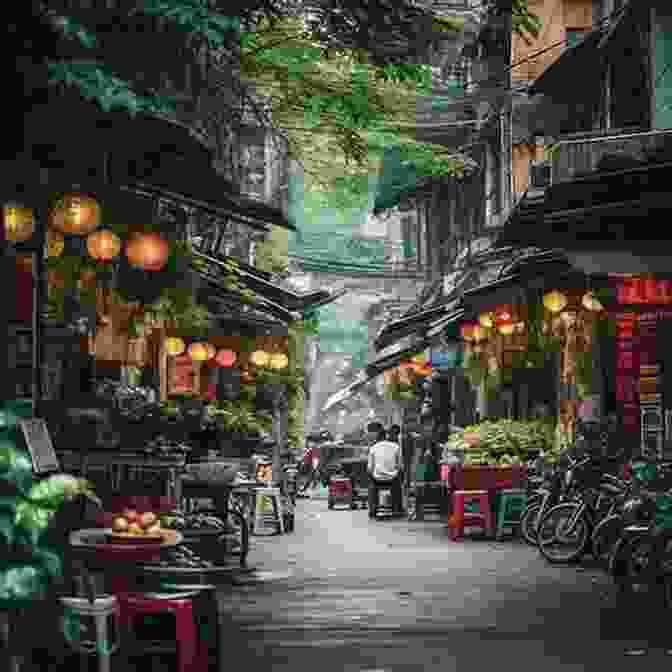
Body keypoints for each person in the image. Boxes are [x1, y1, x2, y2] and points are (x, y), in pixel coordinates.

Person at [367, 421, 403, 518]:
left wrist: (373, 475)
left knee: (372, 487)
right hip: (392, 479)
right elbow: (400, 466)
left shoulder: (373, 448)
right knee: (398, 486)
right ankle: (397, 509)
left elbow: (370, 468)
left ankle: (372, 509)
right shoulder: (396, 447)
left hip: (377, 479)